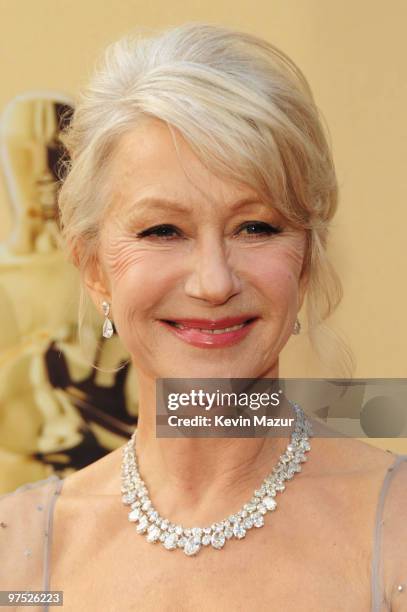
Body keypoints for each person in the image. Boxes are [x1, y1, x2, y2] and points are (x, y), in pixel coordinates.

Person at [0, 22, 406, 612]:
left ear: (306, 262)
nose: (214, 282)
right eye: (163, 230)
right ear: (92, 268)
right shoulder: (21, 553)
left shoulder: (393, 532)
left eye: (256, 227)